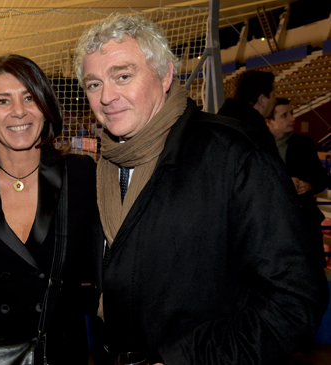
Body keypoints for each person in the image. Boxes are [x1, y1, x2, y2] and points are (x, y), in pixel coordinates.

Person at [74, 13, 329, 364]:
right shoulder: (105, 168)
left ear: (165, 75)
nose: (107, 97)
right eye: (94, 84)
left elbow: (293, 300)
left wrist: (184, 359)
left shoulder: (234, 154)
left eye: (123, 76)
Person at [0, 54, 97, 364]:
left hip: (58, 353)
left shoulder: (81, 175)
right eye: (2, 101)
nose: (19, 111)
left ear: (46, 107)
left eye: (29, 98)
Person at [266, 98, 330, 266]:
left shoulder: (304, 143)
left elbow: (322, 179)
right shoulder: (259, 147)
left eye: (292, 113)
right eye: (285, 115)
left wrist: (308, 185)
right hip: (273, 227)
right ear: (269, 122)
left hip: (305, 225)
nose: (292, 118)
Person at [218, 70, 277, 152]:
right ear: (262, 99)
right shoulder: (259, 135)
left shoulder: (219, 122)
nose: (275, 101)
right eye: (273, 95)